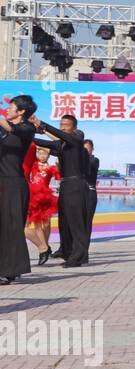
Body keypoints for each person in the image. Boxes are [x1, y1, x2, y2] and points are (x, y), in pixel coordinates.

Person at [32, 113, 93, 268]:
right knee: (64, 222)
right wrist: (24, 135)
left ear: (74, 128)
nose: (63, 127)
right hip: (65, 186)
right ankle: (68, 252)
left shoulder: (77, 141)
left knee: (76, 222)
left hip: (77, 185)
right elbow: (41, 142)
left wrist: (43, 124)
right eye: (61, 125)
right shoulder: (62, 146)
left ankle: (78, 257)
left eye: (66, 125)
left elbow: (60, 136)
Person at [0, 95, 38, 283]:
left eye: (11, 106)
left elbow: (13, 128)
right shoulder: (3, 127)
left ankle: (10, 270)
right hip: (2, 182)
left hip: (14, 184)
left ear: (21, 111)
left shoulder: (27, 129)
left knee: (12, 227)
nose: (8, 109)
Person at [24, 144, 59, 264]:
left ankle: (46, 246)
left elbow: (59, 177)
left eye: (45, 154)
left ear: (48, 156)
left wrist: (59, 164)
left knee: (47, 224)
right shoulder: (33, 164)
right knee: (37, 224)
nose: (42, 156)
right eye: (40, 153)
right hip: (34, 197)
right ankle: (43, 248)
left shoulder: (51, 168)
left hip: (46, 197)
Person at [83, 139, 100, 242]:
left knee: (87, 220)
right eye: (83, 149)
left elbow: (89, 167)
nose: (85, 151)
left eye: (87, 149)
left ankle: (85, 243)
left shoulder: (94, 160)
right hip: (78, 193)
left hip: (90, 192)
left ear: (92, 149)